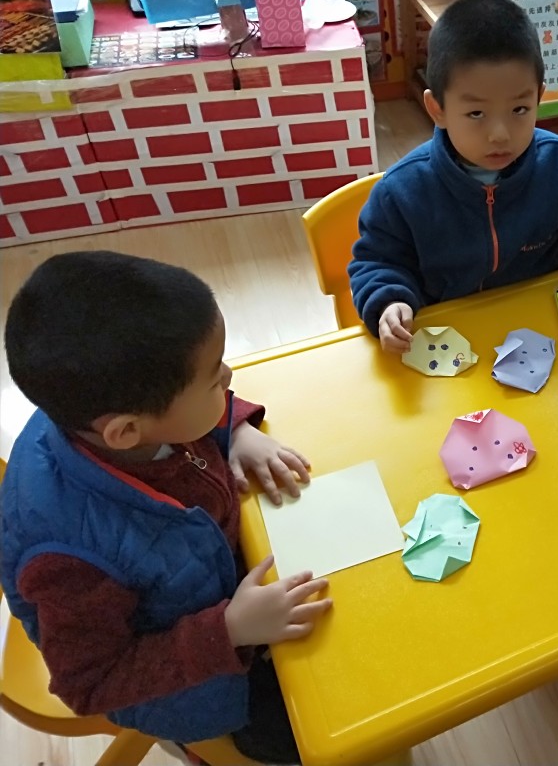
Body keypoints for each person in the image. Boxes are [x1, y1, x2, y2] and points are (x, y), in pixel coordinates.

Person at [0, 252, 330, 764]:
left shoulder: (106, 410)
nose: (229, 376)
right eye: (214, 381)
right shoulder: (69, 560)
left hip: (211, 578)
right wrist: (227, 631)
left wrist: (236, 427)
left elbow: (191, 411)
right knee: (307, 729)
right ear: (127, 431)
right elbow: (92, 682)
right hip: (200, 682)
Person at [349, 0, 558, 352]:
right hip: (449, 341)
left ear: (538, 97)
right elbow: (376, 260)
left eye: (520, 109)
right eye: (476, 114)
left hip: (540, 331)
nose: (500, 134)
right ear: (437, 109)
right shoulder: (402, 192)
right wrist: (389, 300)